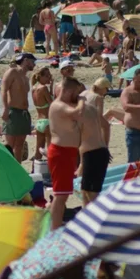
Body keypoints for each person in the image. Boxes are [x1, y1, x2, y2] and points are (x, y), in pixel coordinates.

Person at [47, 77, 86, 228]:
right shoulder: (58, 106)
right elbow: (78, 113)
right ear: (68, 91)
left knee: (63, 195)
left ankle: (51, 224)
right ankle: (54, 229)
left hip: (68, 153)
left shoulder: (65, 104)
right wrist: (82, 99)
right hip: (60, 153)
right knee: (60, 196)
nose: (77, 95)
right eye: (76, 92)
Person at [79, 78, 112, 204]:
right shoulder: (98, 98)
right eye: (106, 89)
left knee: (84, 180)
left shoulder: (82, 94)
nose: (107, 92)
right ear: (101, 87)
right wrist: (105, 146)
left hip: (81, 139)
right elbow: (100, 121)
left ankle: (85, 211)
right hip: (94, 141)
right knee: (93, 185)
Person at [1, 53, 36, 161]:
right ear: (25, 60)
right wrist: (5, 109)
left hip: (24, 113)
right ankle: (6, 169)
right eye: (32, 61)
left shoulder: (26, 78)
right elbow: (3, 90)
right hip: (13, 111)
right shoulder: (12, 72)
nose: (34, 64)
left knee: (20, 145)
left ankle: (18, 169)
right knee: (9, 145)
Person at [30, 66, 54, 161]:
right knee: (50, 150)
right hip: (47, 121)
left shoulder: (34, 89)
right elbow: (52, 104)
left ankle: (33, 171)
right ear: (40, 77)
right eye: (47, 76)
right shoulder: (43, 88)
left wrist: (51, 87)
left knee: (38, 152)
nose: (49, 78)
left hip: (39, 122)